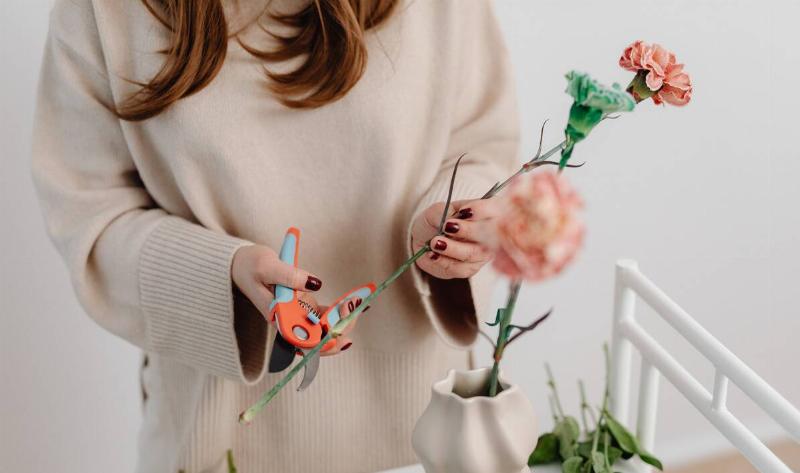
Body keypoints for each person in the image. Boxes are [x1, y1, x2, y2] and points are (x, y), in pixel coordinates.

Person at [31, 0, 519, 471]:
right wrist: (219, 274)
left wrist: (455, 221)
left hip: (427, 430)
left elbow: (483, 143)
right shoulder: (103, 12)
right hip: (215, 433)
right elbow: (90, 215)